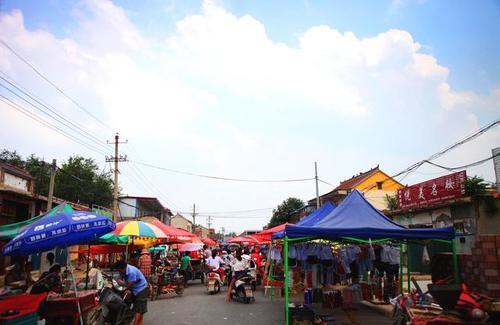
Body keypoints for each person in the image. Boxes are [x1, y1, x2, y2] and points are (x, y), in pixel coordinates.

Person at [115, 260, 148, 325]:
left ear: (123, 268)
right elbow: (119, 278)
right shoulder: (123, 270)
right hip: (134, 288)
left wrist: (122, 283)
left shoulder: (131, 272)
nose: (119, 271)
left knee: (138, 309)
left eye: (119, 270)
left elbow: (129, 284)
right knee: (137, 307)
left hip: (141, 289)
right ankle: (139, 322)